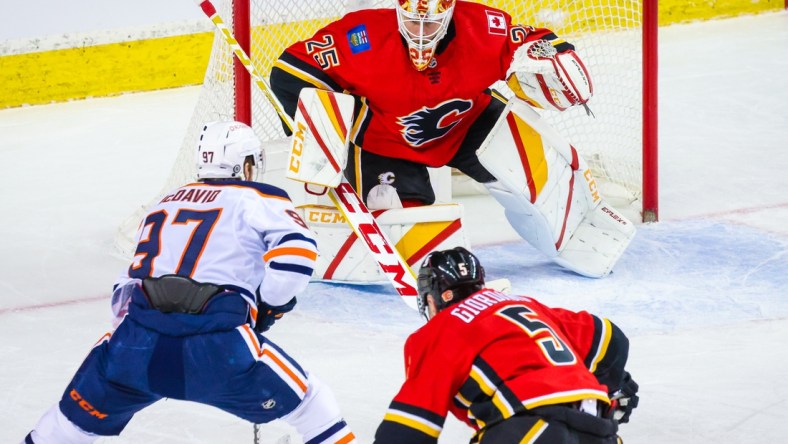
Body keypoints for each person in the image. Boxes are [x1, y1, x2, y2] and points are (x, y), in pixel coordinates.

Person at [23, 121, 356, 444]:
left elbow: (125, 289)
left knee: (66, 426)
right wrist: (270, 305)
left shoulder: (164, 203)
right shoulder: (259, 197)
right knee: (314, 406)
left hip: (134, 349)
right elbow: (296, 254)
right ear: (247, 165)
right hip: (216, 351)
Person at [270, 0, 631, 279]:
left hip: (468, 125)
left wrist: (554, 53)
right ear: (398, 12)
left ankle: (578, 227)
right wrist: (322, 134)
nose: (421, 32)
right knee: (408, 238)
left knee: (542, 179)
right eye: (412, 21)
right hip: (385, 143)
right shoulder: (359, 36)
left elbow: (531, 41)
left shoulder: (483, 28)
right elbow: (289, 73)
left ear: (450, 14)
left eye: (432, 23)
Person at [373, 247, 639, 443]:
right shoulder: (523, 304)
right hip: (600, 430)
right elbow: (611, 339)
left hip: (530, 431)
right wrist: (615, 385)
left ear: (432, 300)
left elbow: (408, 430)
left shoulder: (438, 330)